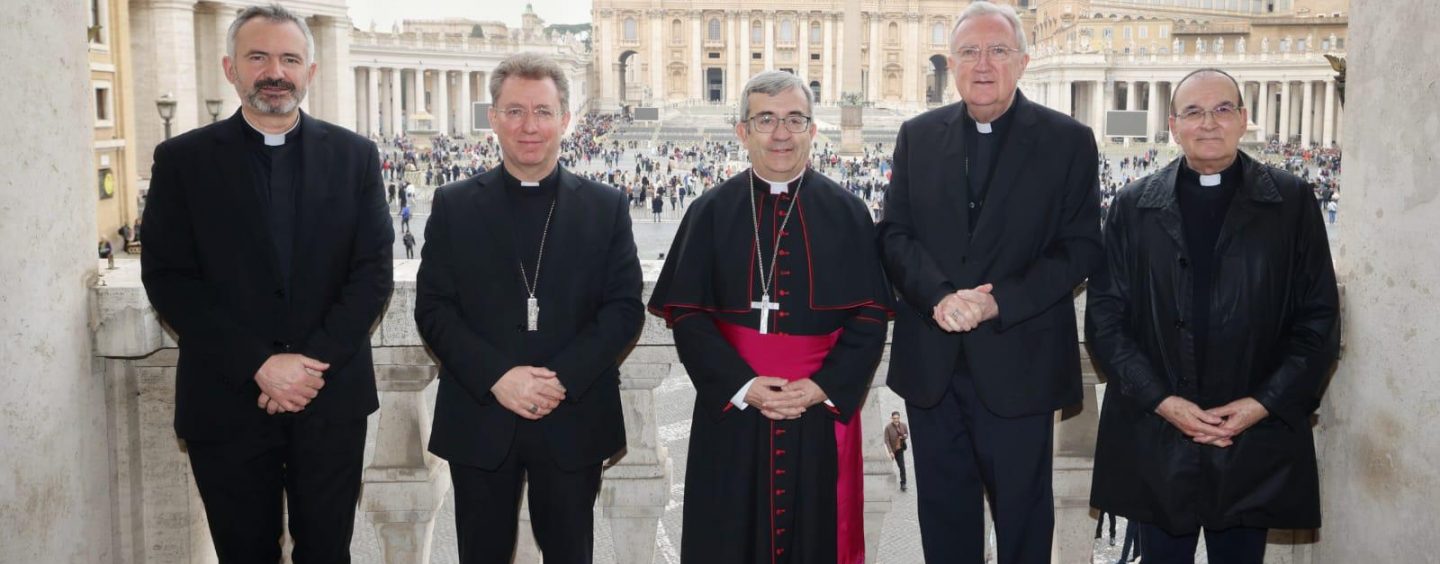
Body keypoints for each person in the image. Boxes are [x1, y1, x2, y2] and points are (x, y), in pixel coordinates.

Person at [139, 5, 394, 562]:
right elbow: (169, 279)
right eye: (258, 57)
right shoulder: (182, 160)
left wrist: (306, 369)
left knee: (328, 551)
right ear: (231, 68)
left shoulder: (356, 157)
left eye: (289, 59)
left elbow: (372, 274)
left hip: (329, 400)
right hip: (226, 399)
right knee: (242, 553)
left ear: (310, 71)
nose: (274, 71)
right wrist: (260, 364)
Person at [1086, 68, 1340, 564]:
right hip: (1159, 432)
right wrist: (1162, 401)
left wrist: (1261, 404)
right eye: (1194, 112)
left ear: (1244, 119)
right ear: (1173, 123)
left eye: (1223, 109)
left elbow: (1318, 321)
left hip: (1250, 433)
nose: (1209, 123)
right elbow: (1105, 320)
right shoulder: (1133, 206)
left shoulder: (1292, 203)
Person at [877, 3, 1102, 563]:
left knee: (1024, 527)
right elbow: (895, 235)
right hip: (934, 368)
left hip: (1020, 366)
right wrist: (939, 296)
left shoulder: (1068, 141)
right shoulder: (917, 135)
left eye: (997, 51)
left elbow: (1080, 249)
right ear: (951, 64)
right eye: (969, 52)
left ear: (1023, 62)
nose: (983, 64)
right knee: (945, 526)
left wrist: (995, 303)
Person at [649, 70, 892, 564]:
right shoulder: (709, 211)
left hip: (816, 412)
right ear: (742, 131)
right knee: (727, 537)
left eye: (793, 119)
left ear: (811, 130)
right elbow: (689, 315)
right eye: (766, 120)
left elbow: (871, 313)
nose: (781, 133)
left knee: (815, 538)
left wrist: (825, 384)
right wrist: (743, 385)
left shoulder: (847, 212)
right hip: (733, 409)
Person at [414, 52, 644, 564]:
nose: (529, 126)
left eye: (543, 111)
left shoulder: (606, 205)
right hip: (481, 412)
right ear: (493, 118)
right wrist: (499, 376)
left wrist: (559, 377)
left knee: (570, 555)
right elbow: (433, 310)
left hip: (573, 414)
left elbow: (624, 309)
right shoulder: (454, 204)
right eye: (514, 111)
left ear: (566, 118)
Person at [884, 411, 910, 492]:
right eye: (894, 418)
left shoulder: (903, 425)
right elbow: (886, 440)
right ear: (891, 418)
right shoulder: (888, 427)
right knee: (887, 465)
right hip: (891, 450)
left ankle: (903, 483)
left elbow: (906, 434)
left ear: (899, 418)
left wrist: (905, 436)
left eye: (897, 418)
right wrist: (890, 452)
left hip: (900, 449)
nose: (896, 420)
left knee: (902, 467)